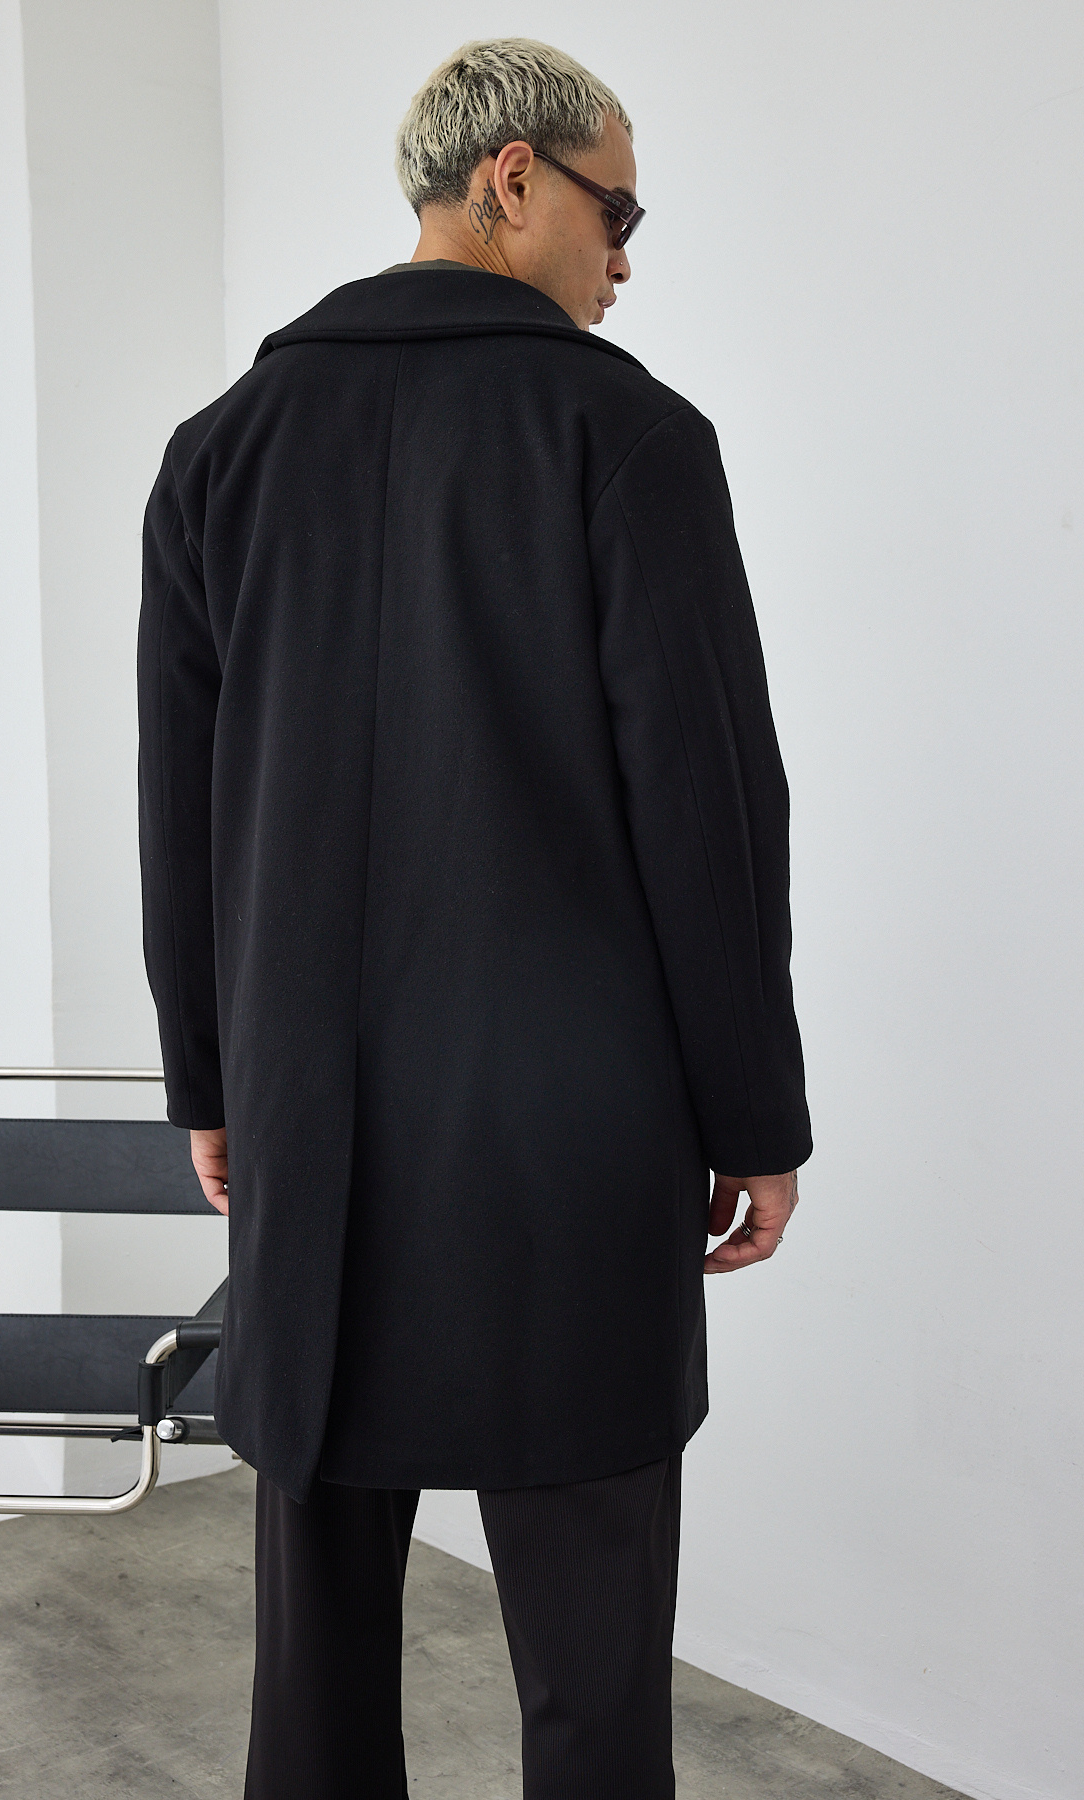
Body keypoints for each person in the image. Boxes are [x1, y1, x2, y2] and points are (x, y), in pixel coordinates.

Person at [138, 37, 811, 1800]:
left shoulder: (221, 452)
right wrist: (755, 1117)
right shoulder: (629, 438)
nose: (628, 259)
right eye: (619, 212)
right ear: (512, 181)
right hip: (568, 1141)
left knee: (316, 1666)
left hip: (314, 1124)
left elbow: (180, 816)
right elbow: (711, 815)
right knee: (594, 1668)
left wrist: (211, 1083)